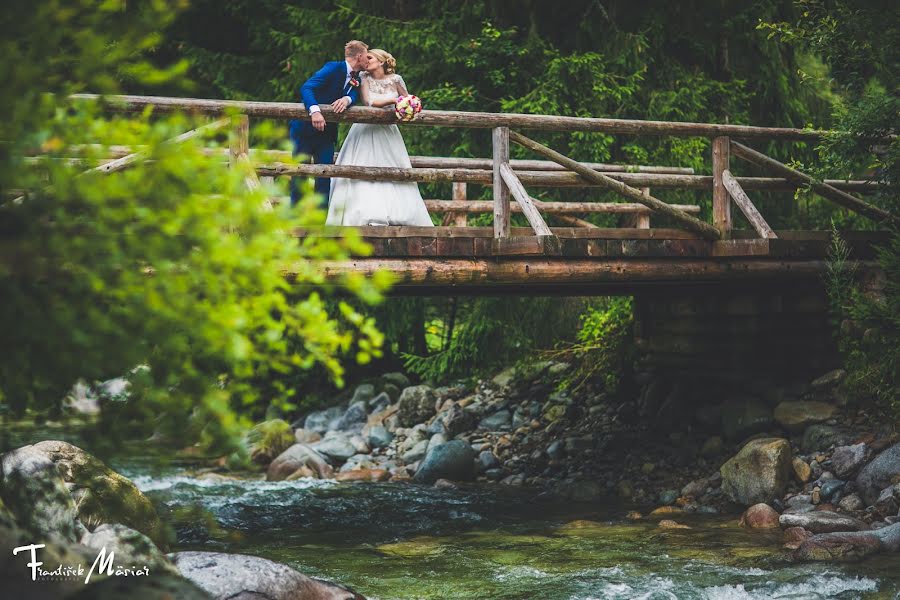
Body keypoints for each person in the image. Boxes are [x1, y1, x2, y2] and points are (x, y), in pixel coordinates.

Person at [325, 49, 433, 226]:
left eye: (370, 57)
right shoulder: (363, 77)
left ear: (381, 61)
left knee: (394, 167)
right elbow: (369, 102)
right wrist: (393, 101)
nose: (366, 60)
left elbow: (408, 98)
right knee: (361, 166)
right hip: (366, 129)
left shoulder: (396, 79)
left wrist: (411, 105)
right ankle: (361, 212)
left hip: (388, 132)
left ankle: (400, 213)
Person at [288, 40, 369, 206]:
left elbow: (354, 94)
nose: (369, 60)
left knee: (325, 178)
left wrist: (347, 99)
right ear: (359, 56)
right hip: (304, 131)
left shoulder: (357, 77)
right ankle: (295, 222)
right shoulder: (333, 67)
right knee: (299, 176)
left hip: (327, 134)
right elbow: (307, 87)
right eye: (367, 56)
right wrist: (315, 111)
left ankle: (320, 224)